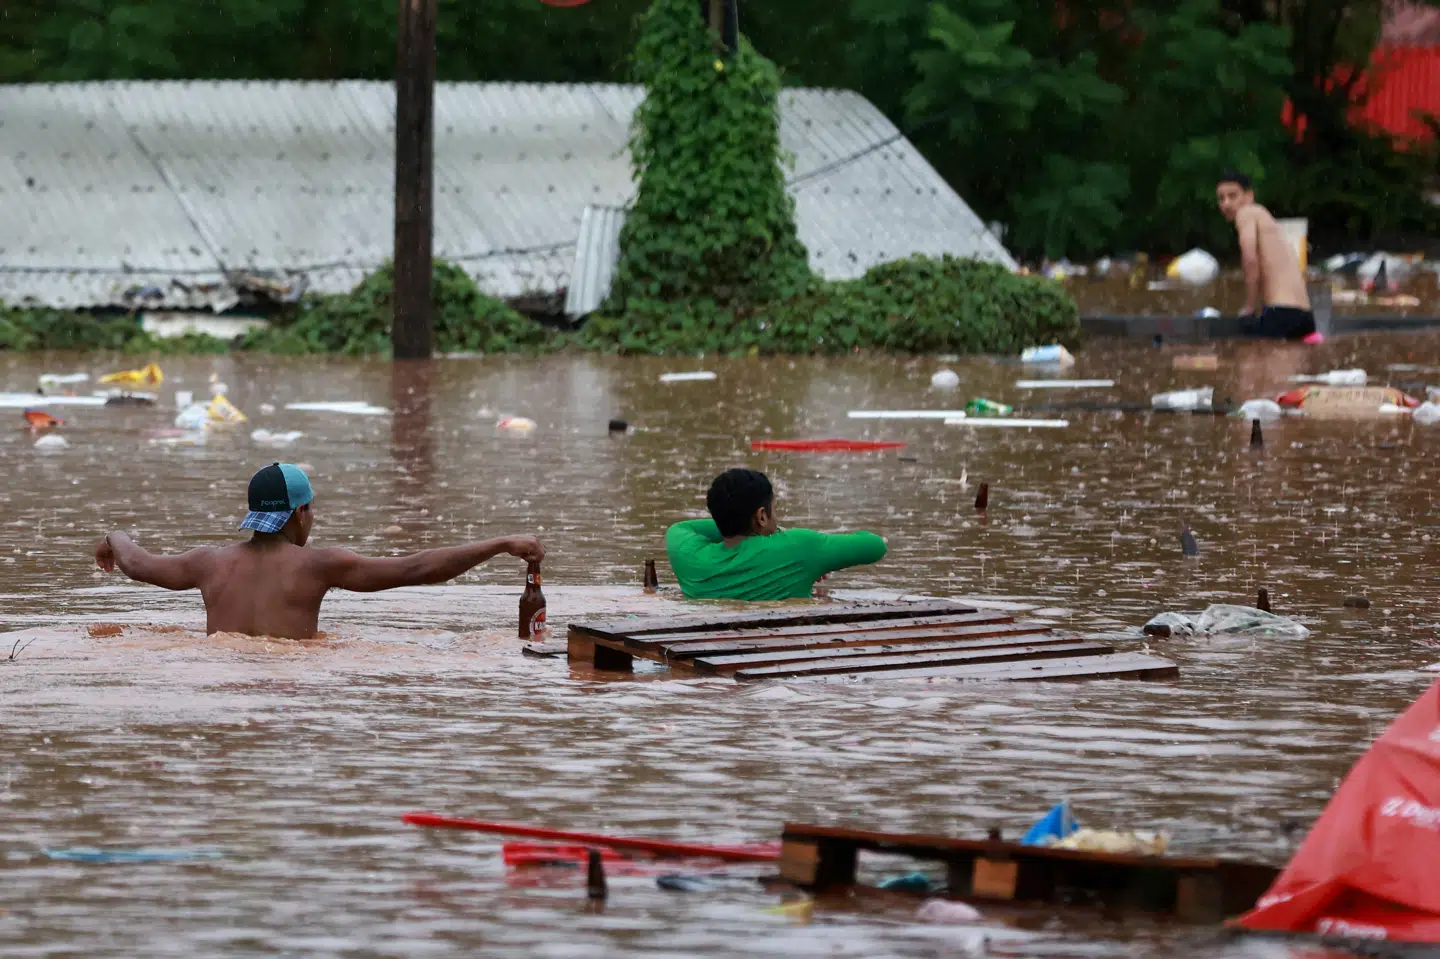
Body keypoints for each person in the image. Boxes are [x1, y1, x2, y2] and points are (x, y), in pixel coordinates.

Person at [94, 462, 544, 639]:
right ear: (300, 513)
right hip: (294, 684)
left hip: (222, 680)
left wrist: (113, 538)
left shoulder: (208, 563)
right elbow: (418, 569)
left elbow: (136, 563)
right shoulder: (319, 565)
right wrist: (501, 543)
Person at [665, 468, 887, 600]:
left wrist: (730, 521)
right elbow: (875, 545)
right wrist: (786, 539)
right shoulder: (800, 547)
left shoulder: (688, 556)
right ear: (762, 516)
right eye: (775, 509)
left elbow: (683, 527)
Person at [1215, 170, 1316, 339]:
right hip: (1304, 316)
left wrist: (1249, 307)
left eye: (1233, 196)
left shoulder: (1246, 213)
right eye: (1221, 198)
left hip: (1282, 313)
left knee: (1245, 357)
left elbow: (1250, 259)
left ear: (1249, 196)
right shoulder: (1267, 220)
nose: (1226, 203)